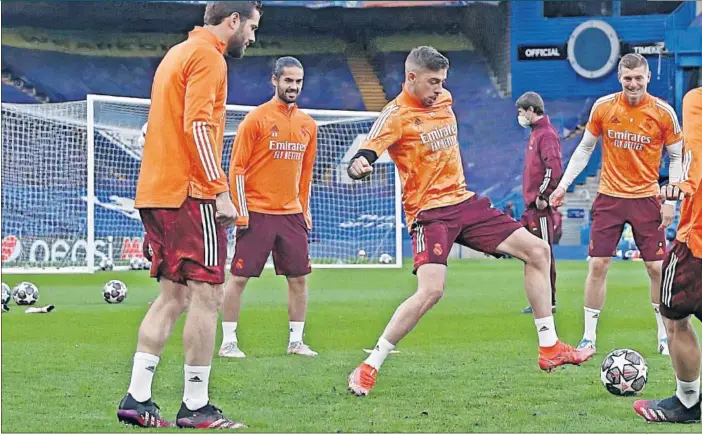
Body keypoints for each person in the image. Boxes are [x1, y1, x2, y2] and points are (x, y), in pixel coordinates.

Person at [345, 46, 594, 397]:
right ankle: (370, 366)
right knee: (432, 290)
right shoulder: (396, 114)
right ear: (411, 78)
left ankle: (549, 347)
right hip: (429, 212)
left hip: (463, 201)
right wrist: (359, 165)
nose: (439, 88)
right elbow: (367, 151)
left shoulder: (444, 99)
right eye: (432, 81)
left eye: (442, 81)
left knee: (539, 251)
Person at [117, 1, 262, 428]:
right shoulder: (208, 57)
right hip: (189, 193)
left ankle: (137, 397)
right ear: (233, 21)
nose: (253, 37)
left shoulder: (177, 54)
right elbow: (198, 127)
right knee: (207, 296)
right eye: (252, 27)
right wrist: (218, 191)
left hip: (157, 192)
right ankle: (195, 406)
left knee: (173, 296)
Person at [550, 53, 684, 356]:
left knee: (656, 268)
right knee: (598, 265)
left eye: (638, 77)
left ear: (647, 77)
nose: (633, 83)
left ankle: (663, 335)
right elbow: (585, 149)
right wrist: (562, 186)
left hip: (647, 197)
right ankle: (589, 337)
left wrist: (671, 199)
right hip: (609, 197)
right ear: (620, 78)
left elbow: (676, 156)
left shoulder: (663, 112)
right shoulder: (604, 107)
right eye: (627, 78)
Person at [219, 56, 318, 358]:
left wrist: (305, 208)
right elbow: (236, 168)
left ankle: (296, 341)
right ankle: (228, 342)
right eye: (288, 80)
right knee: (239, 277)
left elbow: (306, 172)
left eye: (298, 81)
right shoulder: (256, 119)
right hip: (257, 213)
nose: (293, 86)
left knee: (298, 278)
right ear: (274, 80)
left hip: (291, 215)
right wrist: (241, 210)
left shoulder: (307, 125)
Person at [632, 86, 702, 423]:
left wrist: (683, 186)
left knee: (674, 315)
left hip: (698, 241)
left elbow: (694, 153)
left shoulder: (696, 100)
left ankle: (687, 402)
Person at [516, 91, 562, 315]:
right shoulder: (537, 133)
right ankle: (539, 300)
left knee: (543, 252)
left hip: (539, 208)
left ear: (532, 110)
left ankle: (549, 301)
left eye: (521, 111)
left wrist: (543, 195)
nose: (520, 115)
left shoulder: (546, 135)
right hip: (531, 207)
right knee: (534, 252)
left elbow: (554, 167)